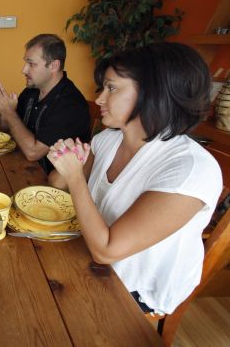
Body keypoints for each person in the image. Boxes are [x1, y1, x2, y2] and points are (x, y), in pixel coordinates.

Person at [47, 42, 222, 314]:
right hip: (87, 257)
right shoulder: (107, 140)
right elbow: (57, 185)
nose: (99, 99)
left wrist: (75, 177)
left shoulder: (190, 169)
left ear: (154, 94)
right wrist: (66, 162)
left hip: (131, 292)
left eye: (112, 88)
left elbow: (106, 250)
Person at [0, 34, 90, 173]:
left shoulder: (70, 105)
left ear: (54, 66)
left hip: (51, 185)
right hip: (22, 167)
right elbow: (4, 127)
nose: (23, 70)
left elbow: (33, 153)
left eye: (31, 64)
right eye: (25, 63)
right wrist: (5, 112)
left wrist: (9, 113)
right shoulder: (33, 90)